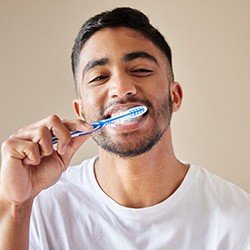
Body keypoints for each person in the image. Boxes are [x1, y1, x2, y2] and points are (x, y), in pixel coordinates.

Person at [0, 7, 250, 250]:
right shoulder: (37, 210)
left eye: (140, 70)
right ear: (81, 112)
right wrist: (15, 206)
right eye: (99, 77)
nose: (121, 88)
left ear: (174, 96)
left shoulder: (240, 221)